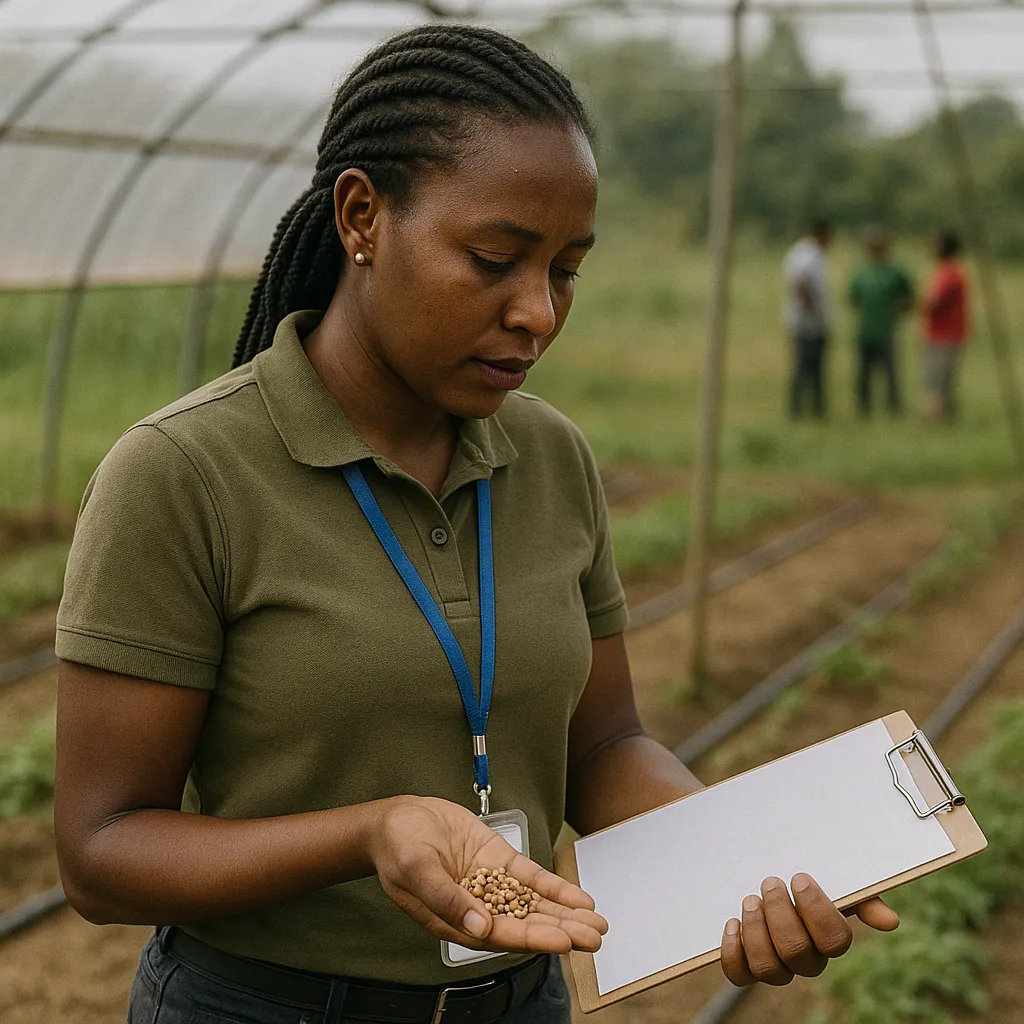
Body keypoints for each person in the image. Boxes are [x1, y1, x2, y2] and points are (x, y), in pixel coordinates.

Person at [52, 25, 898, 1024]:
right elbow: (102, 852)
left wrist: (744, 866)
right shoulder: (185, 474)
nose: (537, 312)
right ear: (361, 215)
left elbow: (605, 743)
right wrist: (369, 831)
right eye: (495, 259)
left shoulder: (549, 458)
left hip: (520, 1003)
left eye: (566, 269)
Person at [848, 225, 914, 416]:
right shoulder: (861, 272)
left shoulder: (896, 272)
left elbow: (908, 299)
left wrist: (897, 310)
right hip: (865, 329)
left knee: (890, 372)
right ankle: (864, 407)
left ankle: (893, 407)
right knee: (863, 374)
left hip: (887, 328)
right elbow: (854, 299)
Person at [783, 219, 833, 419]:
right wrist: (814, 314)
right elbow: (800, 284)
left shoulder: (808, 253)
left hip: (808, 320)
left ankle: (815, 408)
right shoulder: (807, 255)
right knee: (805, 367)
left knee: (814, 368)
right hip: (807, 323)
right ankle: (798, 409)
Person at [921, 231, 969, 422]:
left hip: (942, 334)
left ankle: (937, 419)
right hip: (948, 333)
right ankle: (946, 418)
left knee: (937, 380)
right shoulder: (951, 270)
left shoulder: (948, 273)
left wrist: (923, 305)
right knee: (945, 379)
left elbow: (934, 302)